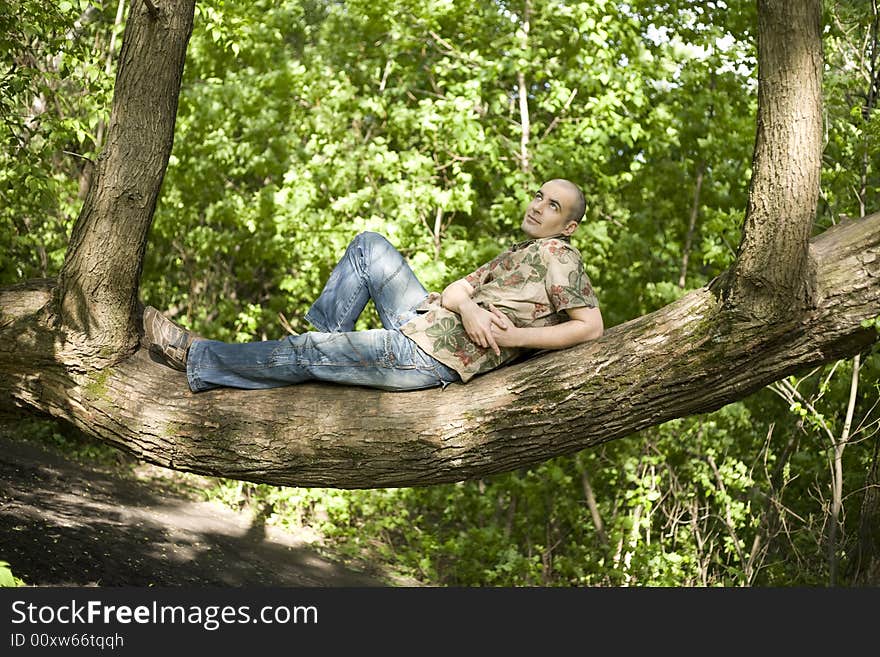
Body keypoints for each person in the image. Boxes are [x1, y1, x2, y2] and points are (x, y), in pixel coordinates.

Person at [142, 178, 604, 392]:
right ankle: (325, 342)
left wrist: (515, 337)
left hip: (429, 355)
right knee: (369, 246)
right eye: (539, 196)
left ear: (569, 226)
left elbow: (591, 327)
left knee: (307, 352)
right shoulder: (520, 253)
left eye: (554, 205)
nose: (539, 206)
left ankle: (198, 359)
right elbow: (455, 291)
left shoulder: (559, 256)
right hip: (428, 319)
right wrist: (468, 308)